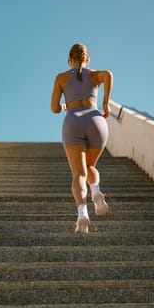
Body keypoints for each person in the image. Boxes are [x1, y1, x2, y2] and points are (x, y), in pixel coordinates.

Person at [51, 43, 113, 234]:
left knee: (79, 174)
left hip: (73, 121)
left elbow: (54, 108)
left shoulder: (61, 78)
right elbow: (108, 74)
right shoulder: (94, 75)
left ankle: (82, 213)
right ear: (88, 59)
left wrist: (64, 107)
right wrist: (105, 103)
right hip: (96, 120)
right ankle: (95, 190)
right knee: (90, 166)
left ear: (70, 60)